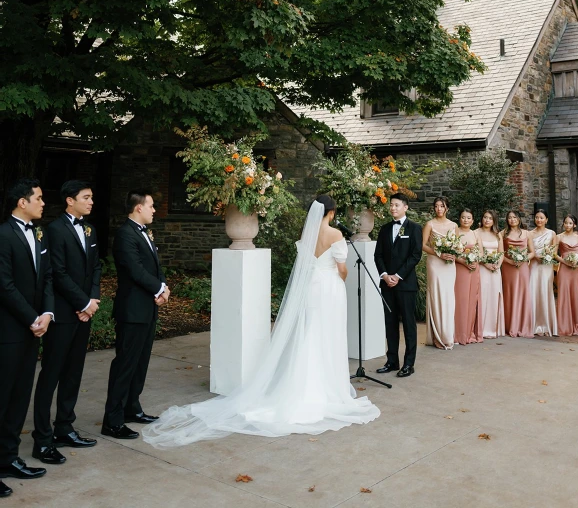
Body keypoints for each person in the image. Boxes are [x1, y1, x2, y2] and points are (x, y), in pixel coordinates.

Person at [143, 196, 379, 448]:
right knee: (328, 334)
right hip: (330, 288)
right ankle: (325, 388)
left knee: (309, 332)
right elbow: (342, 269)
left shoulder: (307, 235)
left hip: (311, 288)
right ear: (331, 213)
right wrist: (341, 277)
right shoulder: (335, 234)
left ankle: (301, 384)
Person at [32, 180, 101, 464]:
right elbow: (57, 273)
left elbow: (95, 266)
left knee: (73, 372)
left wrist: (92, 301)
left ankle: (65, 428)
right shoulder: (54, 230)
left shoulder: (90, 229)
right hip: (62, 313)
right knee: (51, 374)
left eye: (92, 197)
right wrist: (82, 303)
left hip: (84, 313)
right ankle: (42, 437)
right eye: (86, 197)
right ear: (70, 200)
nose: (91, 201)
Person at [0, 179, 54, 497]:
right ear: (22, 202)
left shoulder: (38, 233)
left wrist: (47, 313)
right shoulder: (3, 234)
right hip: (9, 331)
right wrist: (32, 317)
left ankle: (8, 459)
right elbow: (4, 285)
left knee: (20, 397)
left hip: (33, 329)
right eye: (39, 198)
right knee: (2, 398)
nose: (43, 203)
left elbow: (46, 277)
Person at [102, 190, 170, 439]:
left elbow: (155, 266)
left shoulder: (145, 233)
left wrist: (163, 287)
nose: (154, 210)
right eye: (151, 206)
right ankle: (112, 421)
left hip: (148, 309)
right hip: (132, 310)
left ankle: (132, 408)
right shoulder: (125, 235)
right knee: (125, 364)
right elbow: (135, 270)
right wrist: (159, 288)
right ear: (138, 207)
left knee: (140, 363)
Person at [374, 193, 423, 376]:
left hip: (406, 284)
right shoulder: (385, 229)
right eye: (391, 205)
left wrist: (398, 275)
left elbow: (415, 255)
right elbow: (378, 255)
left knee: (409, 324)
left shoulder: (414, 228)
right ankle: (392, 361)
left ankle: (408, 364)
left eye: (396, 205)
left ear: (405, 207)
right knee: (390, 323)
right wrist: (385, 275)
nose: (393, 208)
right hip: (387, 284)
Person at [423, 196, 457, 350]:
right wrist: (439, 254)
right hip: (435, 264)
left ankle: (447, 335)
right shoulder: (429, 224)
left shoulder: (454, 225)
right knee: (436, 296)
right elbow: (423, 245)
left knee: (448, 297)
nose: (439, 209)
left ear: (447, 208)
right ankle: (437, 335)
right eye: (436, 206)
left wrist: (453, 253)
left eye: (442, 206)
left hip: (449, 265)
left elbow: (457, 245)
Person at [556, 215, 578, 336]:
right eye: (566, 223)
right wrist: (565, 262)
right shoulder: (559, 237)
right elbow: (555, 254)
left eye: (570, 223)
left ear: (574, 225)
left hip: (576, 270)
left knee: (575, 295)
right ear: (563, 224)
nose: (568, 225)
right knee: (564, 294)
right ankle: (564, 326)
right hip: (564, 269)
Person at [501, 210, 533, 338]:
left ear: (519, 219)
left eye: (514, 217)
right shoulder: (503, 233)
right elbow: (500, 253)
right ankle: (510, 325)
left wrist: (523, 259)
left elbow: (532, 252)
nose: (512, 219)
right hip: (508, 267)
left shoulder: (527, 233)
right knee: (510, 293)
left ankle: (523, 325)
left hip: (523, 266)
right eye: (509, 217)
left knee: (523, 293)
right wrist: (510, 261)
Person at [454, 208, 483, 345]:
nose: (465, 220)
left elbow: (481, 252)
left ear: (472, 220)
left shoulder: (475, 234)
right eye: (463, 217)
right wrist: (464, 261)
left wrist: (474, 260)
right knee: (460, 299)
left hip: (473, 269)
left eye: (468, 218)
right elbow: (452, 252)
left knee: (471, 300)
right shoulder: (455, 232)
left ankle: (468, 332)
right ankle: (458, 333)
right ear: (459, 219)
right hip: (460, 268)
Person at [476, 209, 505, 339]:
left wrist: (498, 265)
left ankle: (492, 328)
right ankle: (481, 328)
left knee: (494, 295)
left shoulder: (497, 234)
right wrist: (485, 264)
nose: (487, 220)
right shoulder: (476, 233)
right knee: (483, 295)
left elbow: (501, 252)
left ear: (494, 221)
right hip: (482, 268)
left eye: (490, 218)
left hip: (495, 270)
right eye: (485, 217)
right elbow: (477, 253)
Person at [528, 208, 558, 336]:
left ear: (546, 220)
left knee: (545, 291)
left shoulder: (552, 233)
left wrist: (548, 256)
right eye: (537, 217)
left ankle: (546, 325)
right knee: (533, 291)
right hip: (534, 265)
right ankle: (534, 325)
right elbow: (529, 251)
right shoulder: (530, 234)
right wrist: (535, 257)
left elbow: (555, 251)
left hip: (547, 266)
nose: (539, 220)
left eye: (541, 217)